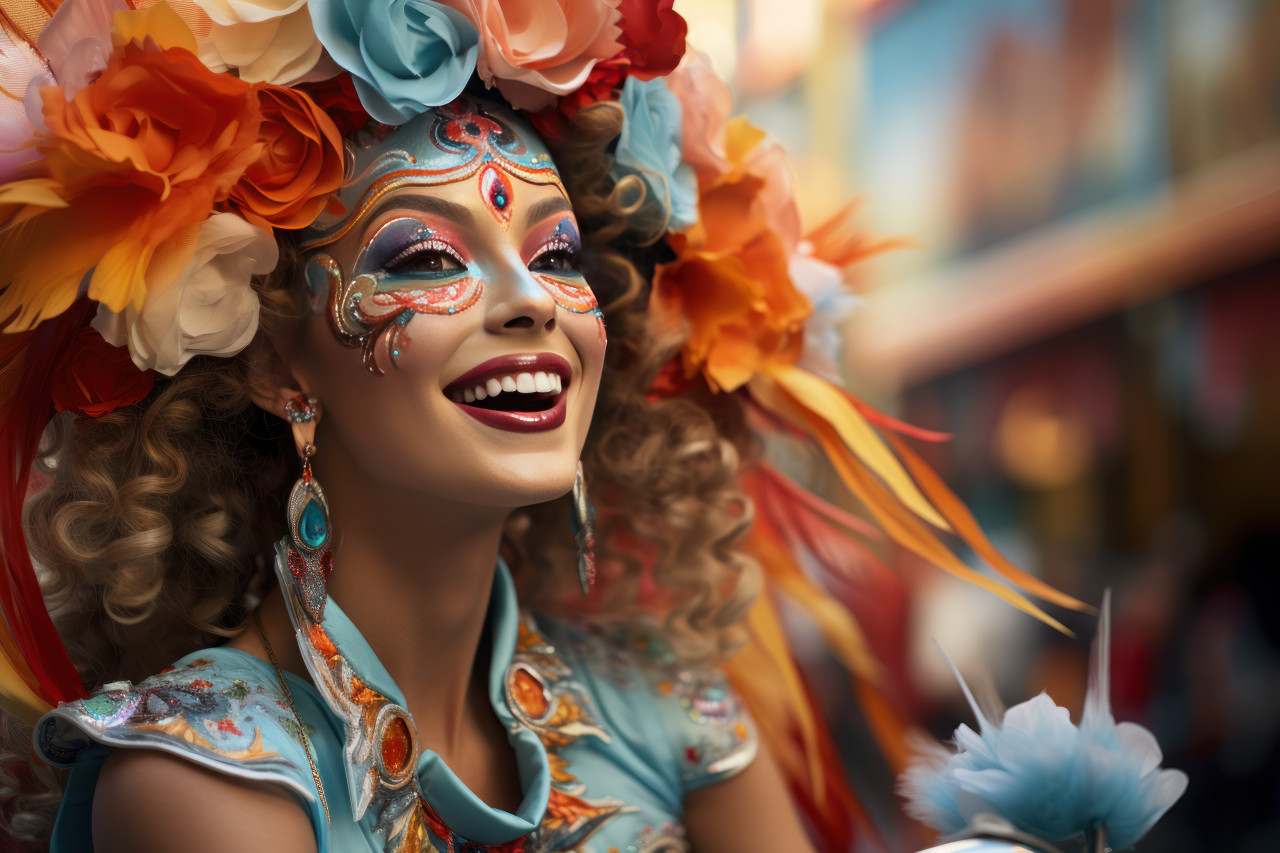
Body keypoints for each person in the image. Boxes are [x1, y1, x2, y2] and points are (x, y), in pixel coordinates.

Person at [0, 2, 1084, 852]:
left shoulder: (671, 717)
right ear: (280, 359)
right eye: (426, 257)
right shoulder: (200, 776)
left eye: (557, 254)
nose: (531, 301)